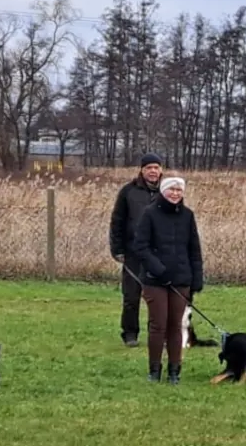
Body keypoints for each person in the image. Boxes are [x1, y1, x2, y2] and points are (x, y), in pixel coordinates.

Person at [130, 176, 203, 384]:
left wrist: (196, 279)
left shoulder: (188, 216)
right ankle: (154, 370)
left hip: (181, 280)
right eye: (171, 189)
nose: (175, 193)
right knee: (158, 325)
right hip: (155, 280)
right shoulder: (149, 214)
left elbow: (194, 250)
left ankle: (174, 371)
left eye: (179, 190)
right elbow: (140, 246)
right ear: (163, 191)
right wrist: (159, 269)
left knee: (176, 325)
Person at [108, 153, 164, 348]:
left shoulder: (168, 191)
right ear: (142, 170)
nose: (153, 171)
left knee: (157, 297)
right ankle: (130, 333)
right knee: (131, 296)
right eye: (149, 168)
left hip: (158, 254)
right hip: (133, 252)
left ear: (161, 170)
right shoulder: (128, 192)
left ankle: (157, 334)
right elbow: (117, 222)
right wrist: (117, 249)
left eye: (156, 167)